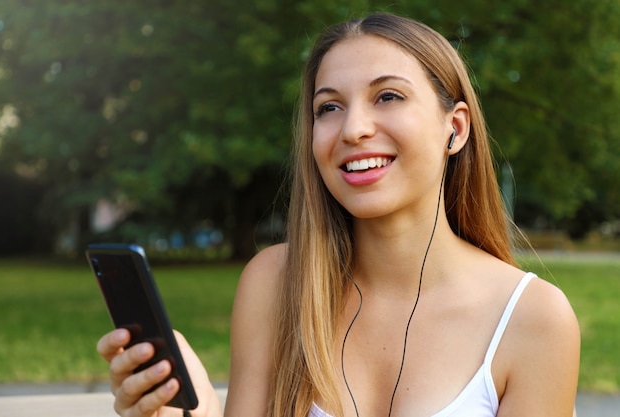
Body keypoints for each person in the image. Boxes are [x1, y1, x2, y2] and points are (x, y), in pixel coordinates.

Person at [97, 12, 580, 417]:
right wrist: (186, 412)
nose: (353, 129)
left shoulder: (533, 320)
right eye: (329, 107)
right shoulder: (275, 284)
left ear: (454, 129)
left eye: (387, 96)